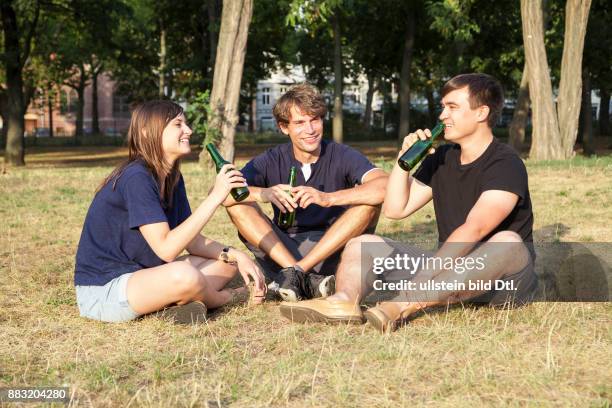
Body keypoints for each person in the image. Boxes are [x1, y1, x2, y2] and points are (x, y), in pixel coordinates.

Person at [279, 73, 538, 332]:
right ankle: (344, 301)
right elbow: (395, 209)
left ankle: (402, 305)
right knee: (362, 244)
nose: (442, 116)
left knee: (509, 243)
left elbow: (475, 229)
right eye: (443, 107)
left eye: (452, 107)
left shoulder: (505, 163)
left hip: (501, 280)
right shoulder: (443, 158)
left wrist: (422, 279)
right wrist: (403, 162)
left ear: (481, 113)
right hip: (449, 269)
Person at [74, 100, 266, 324]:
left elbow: (192, 242)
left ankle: (180, 303)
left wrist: (236, 254)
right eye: (178, 124)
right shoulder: (136, 177)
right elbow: (166, 249)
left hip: (144, 276)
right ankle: (226, 298)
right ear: (147, 132)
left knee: (227, 264)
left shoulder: (173, 178)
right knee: (184, 276)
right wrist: (216, 197)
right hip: (104, 290)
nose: (189, 131)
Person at [223, 83, 389, 302]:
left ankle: (297, 275)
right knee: (239, 204)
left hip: (334, 249)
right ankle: (299, 275)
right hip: (282, 250)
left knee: (369, 203)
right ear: (284, 127)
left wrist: (329, 198)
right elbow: (222, 193)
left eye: (315, 120)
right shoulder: (271, 159)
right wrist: (264, 193)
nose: (310, 130)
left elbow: (386, 186)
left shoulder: (342, 154)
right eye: (300, 123)